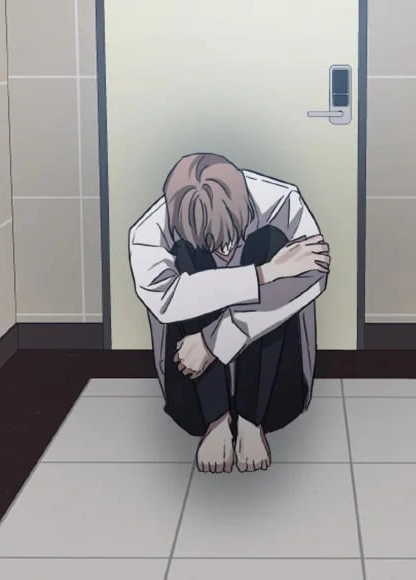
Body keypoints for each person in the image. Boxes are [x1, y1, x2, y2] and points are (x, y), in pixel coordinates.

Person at [128, 152, 330, 474]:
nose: (224, 252)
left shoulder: (282, 203)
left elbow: (313, 274)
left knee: (270, 242)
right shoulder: (150, 232)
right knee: (187, 260)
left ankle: (251, 420)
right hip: (190, 381)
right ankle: (217, 419)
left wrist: (214, 341)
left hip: (277, 385)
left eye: (229, 238)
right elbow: (168, 300)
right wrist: (263, 274)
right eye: (213, 243)